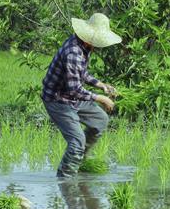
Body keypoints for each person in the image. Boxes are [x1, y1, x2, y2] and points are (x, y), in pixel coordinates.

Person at [42, 13, 122, 178]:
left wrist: (101, 85)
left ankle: (78, 161)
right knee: (77, 142)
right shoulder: (73, 53)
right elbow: (75, 90)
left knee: (100, 120)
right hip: (58, 100)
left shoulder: (82, 46)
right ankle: (66, 180)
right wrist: (101, 98)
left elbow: (81, 74)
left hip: (71, 97)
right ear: (89, 38)